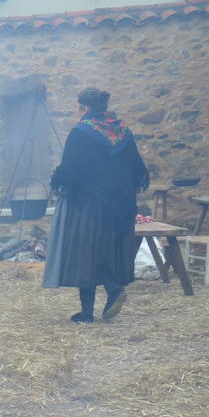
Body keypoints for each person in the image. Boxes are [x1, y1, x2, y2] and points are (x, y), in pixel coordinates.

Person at [43, 88, 150, 323]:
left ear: (84, 108)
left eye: (77, 107)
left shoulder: (80, 132)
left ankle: (101, 300)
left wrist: (58, 183)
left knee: (86, 255)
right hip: (121, 206)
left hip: (89, 205)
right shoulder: (123, 131)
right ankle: (103, 297)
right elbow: (137, 169)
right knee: (107, 252)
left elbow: (70, 169)